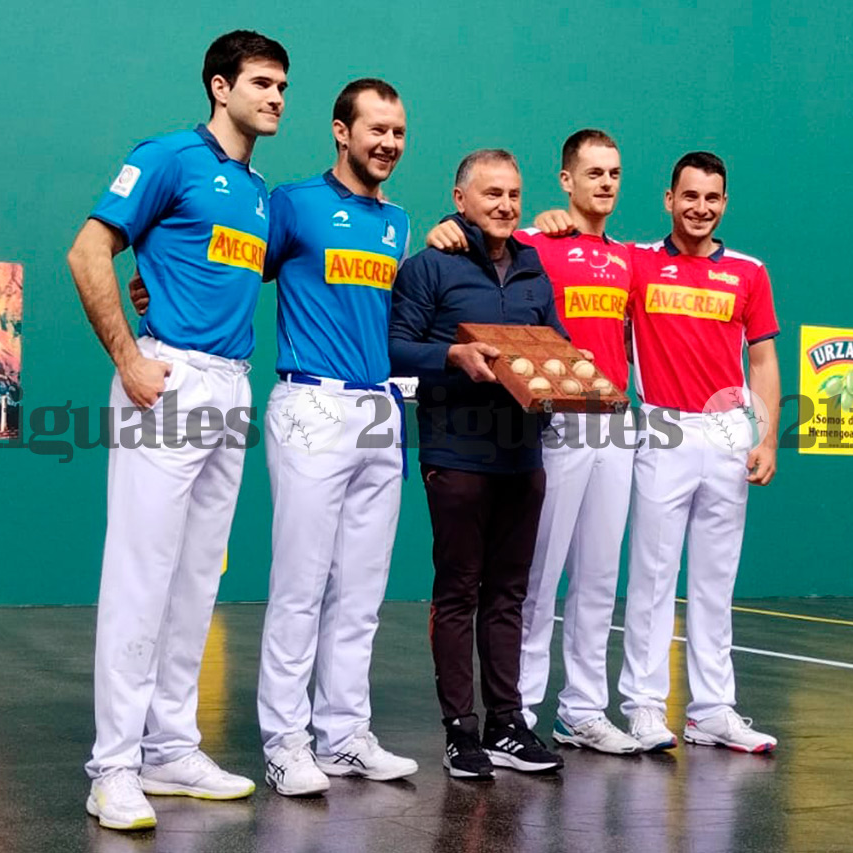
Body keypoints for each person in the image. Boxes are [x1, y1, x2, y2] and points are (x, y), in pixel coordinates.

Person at [66, 30, 288, 831]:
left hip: (231, 386)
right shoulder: (167, 156)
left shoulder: (258, 192)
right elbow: (88, 252)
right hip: (169, 378)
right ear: (220, 87)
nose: (276, 98)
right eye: (261, 83)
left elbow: (194, 265)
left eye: (282, 86)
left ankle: (170, 747)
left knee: (197, 578)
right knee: (141, 576)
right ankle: (113, 768)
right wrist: (131, 357)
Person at [425, 130, 641, 755]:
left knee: (597, 577)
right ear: (566, 181)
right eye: (593, 172)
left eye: (614, 173)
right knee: (531, 581)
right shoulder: (535, 242)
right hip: (546, 423)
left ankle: (581, 710)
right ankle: (512, 711)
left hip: (608, 421)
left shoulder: (630, 258)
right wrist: (445, 225)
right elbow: (476, 230)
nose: (605, 183)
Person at [389, 149, 575, 779]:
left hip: (523, 455)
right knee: (458, 593)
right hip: (456, 454)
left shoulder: (532, 268)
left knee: (508, 596)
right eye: (492, 193)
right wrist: (452, 356)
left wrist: (567, 369)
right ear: (460, 199)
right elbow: (395, 347)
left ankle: (506, 725)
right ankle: (459, 732)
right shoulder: (428, 266)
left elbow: (554, 343)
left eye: (513, 194)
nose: (505, 205)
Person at [255, 78, 417, 796]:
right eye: (376, 129)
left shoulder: (399, 223)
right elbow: (235, 271)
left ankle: (344, 735)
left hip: (380, 410)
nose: (388, 143)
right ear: (341, 132)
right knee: (300, 586)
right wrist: (154, 289)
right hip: (310, 403)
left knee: (360, 591)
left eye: (398, 132)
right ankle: (285, 743)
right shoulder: (293, 204)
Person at [619, 151, 781, 753]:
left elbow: (763, 361)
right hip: (664, 427)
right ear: (669, 199)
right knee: (653, 577)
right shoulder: (636, 262)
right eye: (690, 196)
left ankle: (712, 711)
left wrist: (766, 437)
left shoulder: (749, 272)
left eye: (712, 198)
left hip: (729, 432)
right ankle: (643, 706)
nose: (700, 208)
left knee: (716, 581)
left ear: (725, 203)